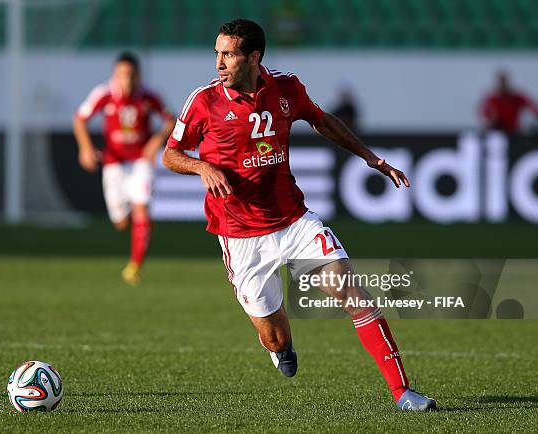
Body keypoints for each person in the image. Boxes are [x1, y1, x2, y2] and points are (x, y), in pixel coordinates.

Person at [163, 19, 436, 411]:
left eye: (228, 54)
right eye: (217, 54)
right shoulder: (203, 101)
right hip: (241, 235)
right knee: (275, 336)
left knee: (352, 292)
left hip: (294, 222)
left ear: (254, 57)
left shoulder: (287, 88)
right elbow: (170, 155)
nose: (219, 63)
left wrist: (372, 159)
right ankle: (281, 348)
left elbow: (323, 121)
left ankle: (402, 393)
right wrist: (202, 167)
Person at [74, 52, 175, 284]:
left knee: (142, 208)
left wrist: (154, 143)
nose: (126, 80)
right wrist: (86, 148)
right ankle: (132, 224)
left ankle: (135, 265)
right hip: (114, 163)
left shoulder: (149, 96)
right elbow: (79, 119)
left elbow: (171, 119)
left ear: (138, 76)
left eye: (131, 75)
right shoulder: (104, 94)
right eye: (122, 75)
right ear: (115, 75)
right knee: (120, 222)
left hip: (141, 161)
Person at [480, 70, 538, 134]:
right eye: (501, 82)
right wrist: (490, 121)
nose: (503, 85)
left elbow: (532, 107)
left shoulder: (517, 98)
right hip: (499, 131)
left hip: (514, 130)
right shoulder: (492, 99)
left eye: (504, 82)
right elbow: (484, 112)